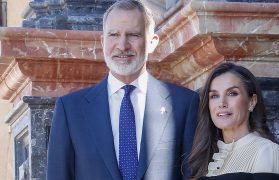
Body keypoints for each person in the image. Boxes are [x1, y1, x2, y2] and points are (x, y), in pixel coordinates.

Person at [46, 0, 199, 180]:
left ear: (152, 42)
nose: (122, 45)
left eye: (133, 35)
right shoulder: (71, 109)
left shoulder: (184, 104)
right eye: (114, 34)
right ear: (103, 42)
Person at [188, 63, 279, 180]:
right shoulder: (204, 155)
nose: (222, 103)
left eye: (232, 93)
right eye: (214, 96)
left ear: (252, 101)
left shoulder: (267, 151)